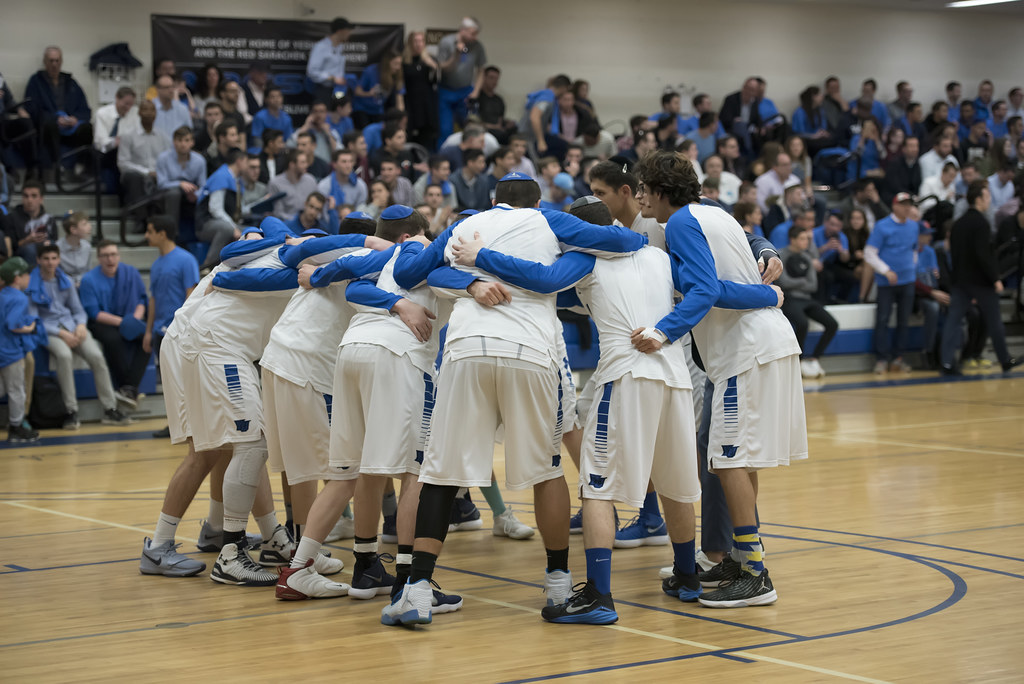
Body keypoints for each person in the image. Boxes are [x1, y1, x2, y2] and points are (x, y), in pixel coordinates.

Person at [383, 172, 647, 626]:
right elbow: (622, 243)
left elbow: (408, 273)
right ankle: (558, 584)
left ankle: (419, 589)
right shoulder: (551, 221)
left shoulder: (466, 225)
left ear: (491, 201)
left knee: (442, 473)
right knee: (546, 472)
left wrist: (472, 275)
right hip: (531, 351)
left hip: (466, 350)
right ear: (538, 202)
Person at [631, 150, 806, 608]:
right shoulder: (711, 211)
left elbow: (705, 290)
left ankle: (756, 573)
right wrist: (765, 290)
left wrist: (662, 330)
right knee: (735, 461)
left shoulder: (682, 223)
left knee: (727, 460)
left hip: (746, 351)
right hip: (761, 345)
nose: (641, 196)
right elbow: (738, 259)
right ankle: (737, 556)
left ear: (663, 191)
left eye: (645, 188)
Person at [27, 244, 128, 428]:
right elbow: (35, 319)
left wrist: (81, 325)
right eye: (46, 259)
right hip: (49, 331)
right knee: (64, 356)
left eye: (54, 258)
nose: (50, 263)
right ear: (39, 260)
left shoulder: (64, 280)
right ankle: (71, 411)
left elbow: (78, 309)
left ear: (59, 259)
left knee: (96, 356)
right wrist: (62, 333)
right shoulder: (32, 284)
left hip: (73, 327)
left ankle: (109, 408)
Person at [940, 181, 1021, 375]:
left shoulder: (958, 224)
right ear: (979, 199)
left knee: (953, 320)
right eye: (987, 196)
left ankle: (946, 362)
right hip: (981, 282)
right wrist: (995, 278)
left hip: (960, 280)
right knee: (994, 321)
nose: (989, 200)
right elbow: (983, 255)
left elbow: (955, 254)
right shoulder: (981, 224)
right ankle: (1004, 359)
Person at [79, 241, 149, 407]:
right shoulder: (89, 280)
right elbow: (94, 312)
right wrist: (124, 323)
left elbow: (141, 300)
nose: (110, 259)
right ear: (98, 258)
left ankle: (128, 388)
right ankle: (128, 388)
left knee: (148, 338)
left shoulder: (130, 272)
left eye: (113, 255)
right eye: (105, 255)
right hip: (103, 321)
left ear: (118, 256)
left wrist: (134, 320)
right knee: (114, 339)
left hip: (130, 318)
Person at [865, 193, 919, 374]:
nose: (906, 208)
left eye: (909, 204)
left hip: (908, 280)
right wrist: (886, 270)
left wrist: (912, 267)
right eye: (903, 204)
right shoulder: (882, 226)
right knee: (883, 319)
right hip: (886, 282)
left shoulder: (913, 226)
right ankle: (881, 359)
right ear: (894, 206)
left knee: (904, 321)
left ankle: (898, 358)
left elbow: (913, 250)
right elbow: (869, 253)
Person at [778, 225, 839, 378]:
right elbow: (783, 282)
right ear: (793, 239)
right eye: (803, 239)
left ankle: (814, 358)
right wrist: (802, 281)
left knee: (832, 324)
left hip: (806, 299)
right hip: (789, 298)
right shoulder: (780, 255)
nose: (806, 242)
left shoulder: (806, 258)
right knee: (802, 323)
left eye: (807, 239)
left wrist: (796, 282)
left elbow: (813, 285)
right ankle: (797, 363)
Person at [23, 46, 93, 177]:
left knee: (87, 128)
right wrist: (55, 118)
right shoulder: (36, 81)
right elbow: (31, 108)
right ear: (45, 62)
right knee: (50, 124)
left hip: (71, 126)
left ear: (61, 62)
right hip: (49, 126)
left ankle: (81, 165)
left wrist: (76, 118)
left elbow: (85, 109)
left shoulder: (71, 83)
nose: (54, 64)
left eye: (57, 60)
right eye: (51, 61)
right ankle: (57, 164)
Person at [0, 257, 42, 442]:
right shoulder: (19, 298)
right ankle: (16, 427)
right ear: (17, 278)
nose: (29, 278)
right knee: (17, 390)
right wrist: (30, 328)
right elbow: (13, 325)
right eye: (26, 274)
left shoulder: (2, 294)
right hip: (11, 351)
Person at [118, 100, 171, 229]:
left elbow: (169, 160)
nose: (149, 113)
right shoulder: (128, 135)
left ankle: (158, 220)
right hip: (135, 176)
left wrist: (158, 173)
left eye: (152, 110)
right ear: (139, 113)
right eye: (145, 110)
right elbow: (122, 163)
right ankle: (141, 219)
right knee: (134, 177)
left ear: (156, 113)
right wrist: (146, 172)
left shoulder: (163, 136)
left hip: (158, 175)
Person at [195, 147, 247, 269]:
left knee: (251, 231)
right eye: (246, 161)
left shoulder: (237, 180)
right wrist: (233, 227)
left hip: (227, 222)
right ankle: (208, 267)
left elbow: (241, 209)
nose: (247, 164)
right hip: (205, 224)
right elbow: (215, 209)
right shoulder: (221, 176)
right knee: (226, 229)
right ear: (239, 161)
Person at [437, 17, 486, 141]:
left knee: (471, 127)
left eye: (476, 34)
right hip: (446, 90)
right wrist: (456, 54)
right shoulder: (446, 42)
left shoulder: (477, 46)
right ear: (462, 30)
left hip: (466, 91)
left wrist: (476, 91)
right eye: (472, 33)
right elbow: (443, 68)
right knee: (445, 129)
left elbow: (481, 70)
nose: (475, 37)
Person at [157, 126, 207, 231]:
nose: (183, 144)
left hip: (190, 194)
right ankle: (171, 233)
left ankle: (201, 232)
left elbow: (203, 185)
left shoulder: (200, 160)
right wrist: (180, 184)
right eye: (179, 140)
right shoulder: (163, 158)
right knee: (174, 193)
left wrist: (196, 194)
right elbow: (161, 184)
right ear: (174, 142)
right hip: (168, 194)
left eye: (187, 140)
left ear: (192, 143)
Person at [402, 31, 439, 149]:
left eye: (421, 41)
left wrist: (433, 67)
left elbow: (436, 81)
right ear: (410, 43)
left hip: (426, 103)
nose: (419, 44)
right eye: (416, 41)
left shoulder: (430, 60)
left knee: (427, 135)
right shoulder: (404, 61)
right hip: (410, 101)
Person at [6, 180, 56, 266]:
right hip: (20, 256)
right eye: (26, 196)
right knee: (30, 249)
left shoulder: (49, 219)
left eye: (34, 196)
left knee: (51, 246)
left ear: (41, 199)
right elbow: (11, 248)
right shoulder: (11, 218)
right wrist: (27, 240)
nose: (29, 200)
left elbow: (55, 241)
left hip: (45, 254)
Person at [353, 51, 405, 129]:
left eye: (399, 64)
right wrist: (369, 93)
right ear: (387, 63)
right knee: (366, 132)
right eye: (395, 64)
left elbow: (400, 99)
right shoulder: (371, 71)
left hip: (378, 110)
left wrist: (401, 118)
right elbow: (357, 91)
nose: (398, 67)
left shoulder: (397, 76)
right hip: (363, 109)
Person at [319, 149, 369, 231]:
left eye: (350, 161)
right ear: (334, 164)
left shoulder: (361, 185)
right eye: (344, 162)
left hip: (355, 228)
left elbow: (361, 211)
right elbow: (324, 216)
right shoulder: (324, 186)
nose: (348, 165)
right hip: (329, 228)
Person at [306, 17, 354, 101]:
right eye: (348, 30)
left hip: (339, 89)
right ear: (340, 31)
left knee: (339, 111)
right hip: (323, 89)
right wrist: (333, 78)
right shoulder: (321, 47)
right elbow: (312, 71)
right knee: (325, 113)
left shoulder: (340, 47)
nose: (349, 33)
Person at [93, 86, 140, 166]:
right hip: (107, 154)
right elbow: (101, 143)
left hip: (128, 154)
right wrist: (116, 141)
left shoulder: (135, 112)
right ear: (117, 98)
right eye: (126, 104)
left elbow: (137, 135)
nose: (128, 108)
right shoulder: (102, 113)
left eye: (131, 105)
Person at [268, 150, 319, 221]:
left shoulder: (311, 180)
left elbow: (318, 204)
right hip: (286, 225)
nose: (306, 165)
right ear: (292, 164)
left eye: (306, 162)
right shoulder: (275, 183)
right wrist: (299, 220)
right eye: (302, 162)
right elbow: (278, 213)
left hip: (310, 223)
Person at [54, 212, 95, 286]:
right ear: (73, 230)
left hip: (83, 284)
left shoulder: (87, 246)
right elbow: (57, 274)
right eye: (84, 224)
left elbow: (88, 271)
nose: (90, 227)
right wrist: (73, 284)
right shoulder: (57, 248)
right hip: (65, 285)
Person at [249, 86, 294, 154]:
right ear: (266, 99)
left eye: (279, 96)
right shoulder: (259, 116)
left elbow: (288, 140)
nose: (276, 100)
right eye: (273, 97)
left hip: (281, 151)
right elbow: (257, 140)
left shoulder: (287, 118)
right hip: (263, 151)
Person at [151, 75, 192, 143]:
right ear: (158, 89)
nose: (171, 90)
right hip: (155, 149)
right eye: (166, 87)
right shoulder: (150, 108)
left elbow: (189, 132)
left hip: (177, 151)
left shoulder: (182, 109)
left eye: (172, 87)